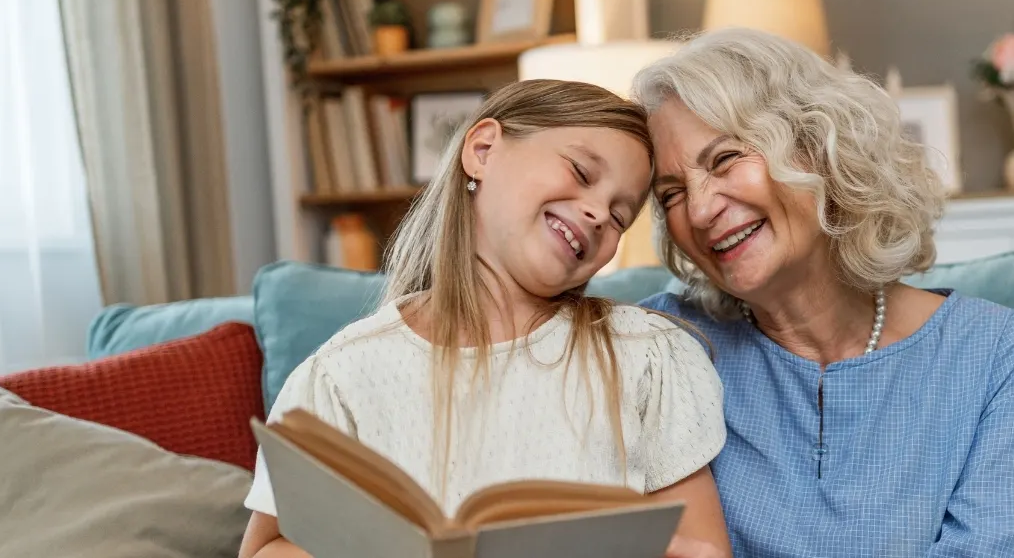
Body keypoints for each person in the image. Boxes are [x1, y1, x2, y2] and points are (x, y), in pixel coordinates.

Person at [238, 79, 732, 558]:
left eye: (621, 215)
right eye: (582, 173)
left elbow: (702, 547)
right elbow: (270, 547)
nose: (601, 215)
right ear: (483, 149)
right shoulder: (341, 376)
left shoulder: (645, 356)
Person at [634, 27, 1014, 557]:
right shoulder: (658, 347)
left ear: (819, 146)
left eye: (724, 160)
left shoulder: (994, 356)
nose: (699, 212)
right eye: (671, 194)